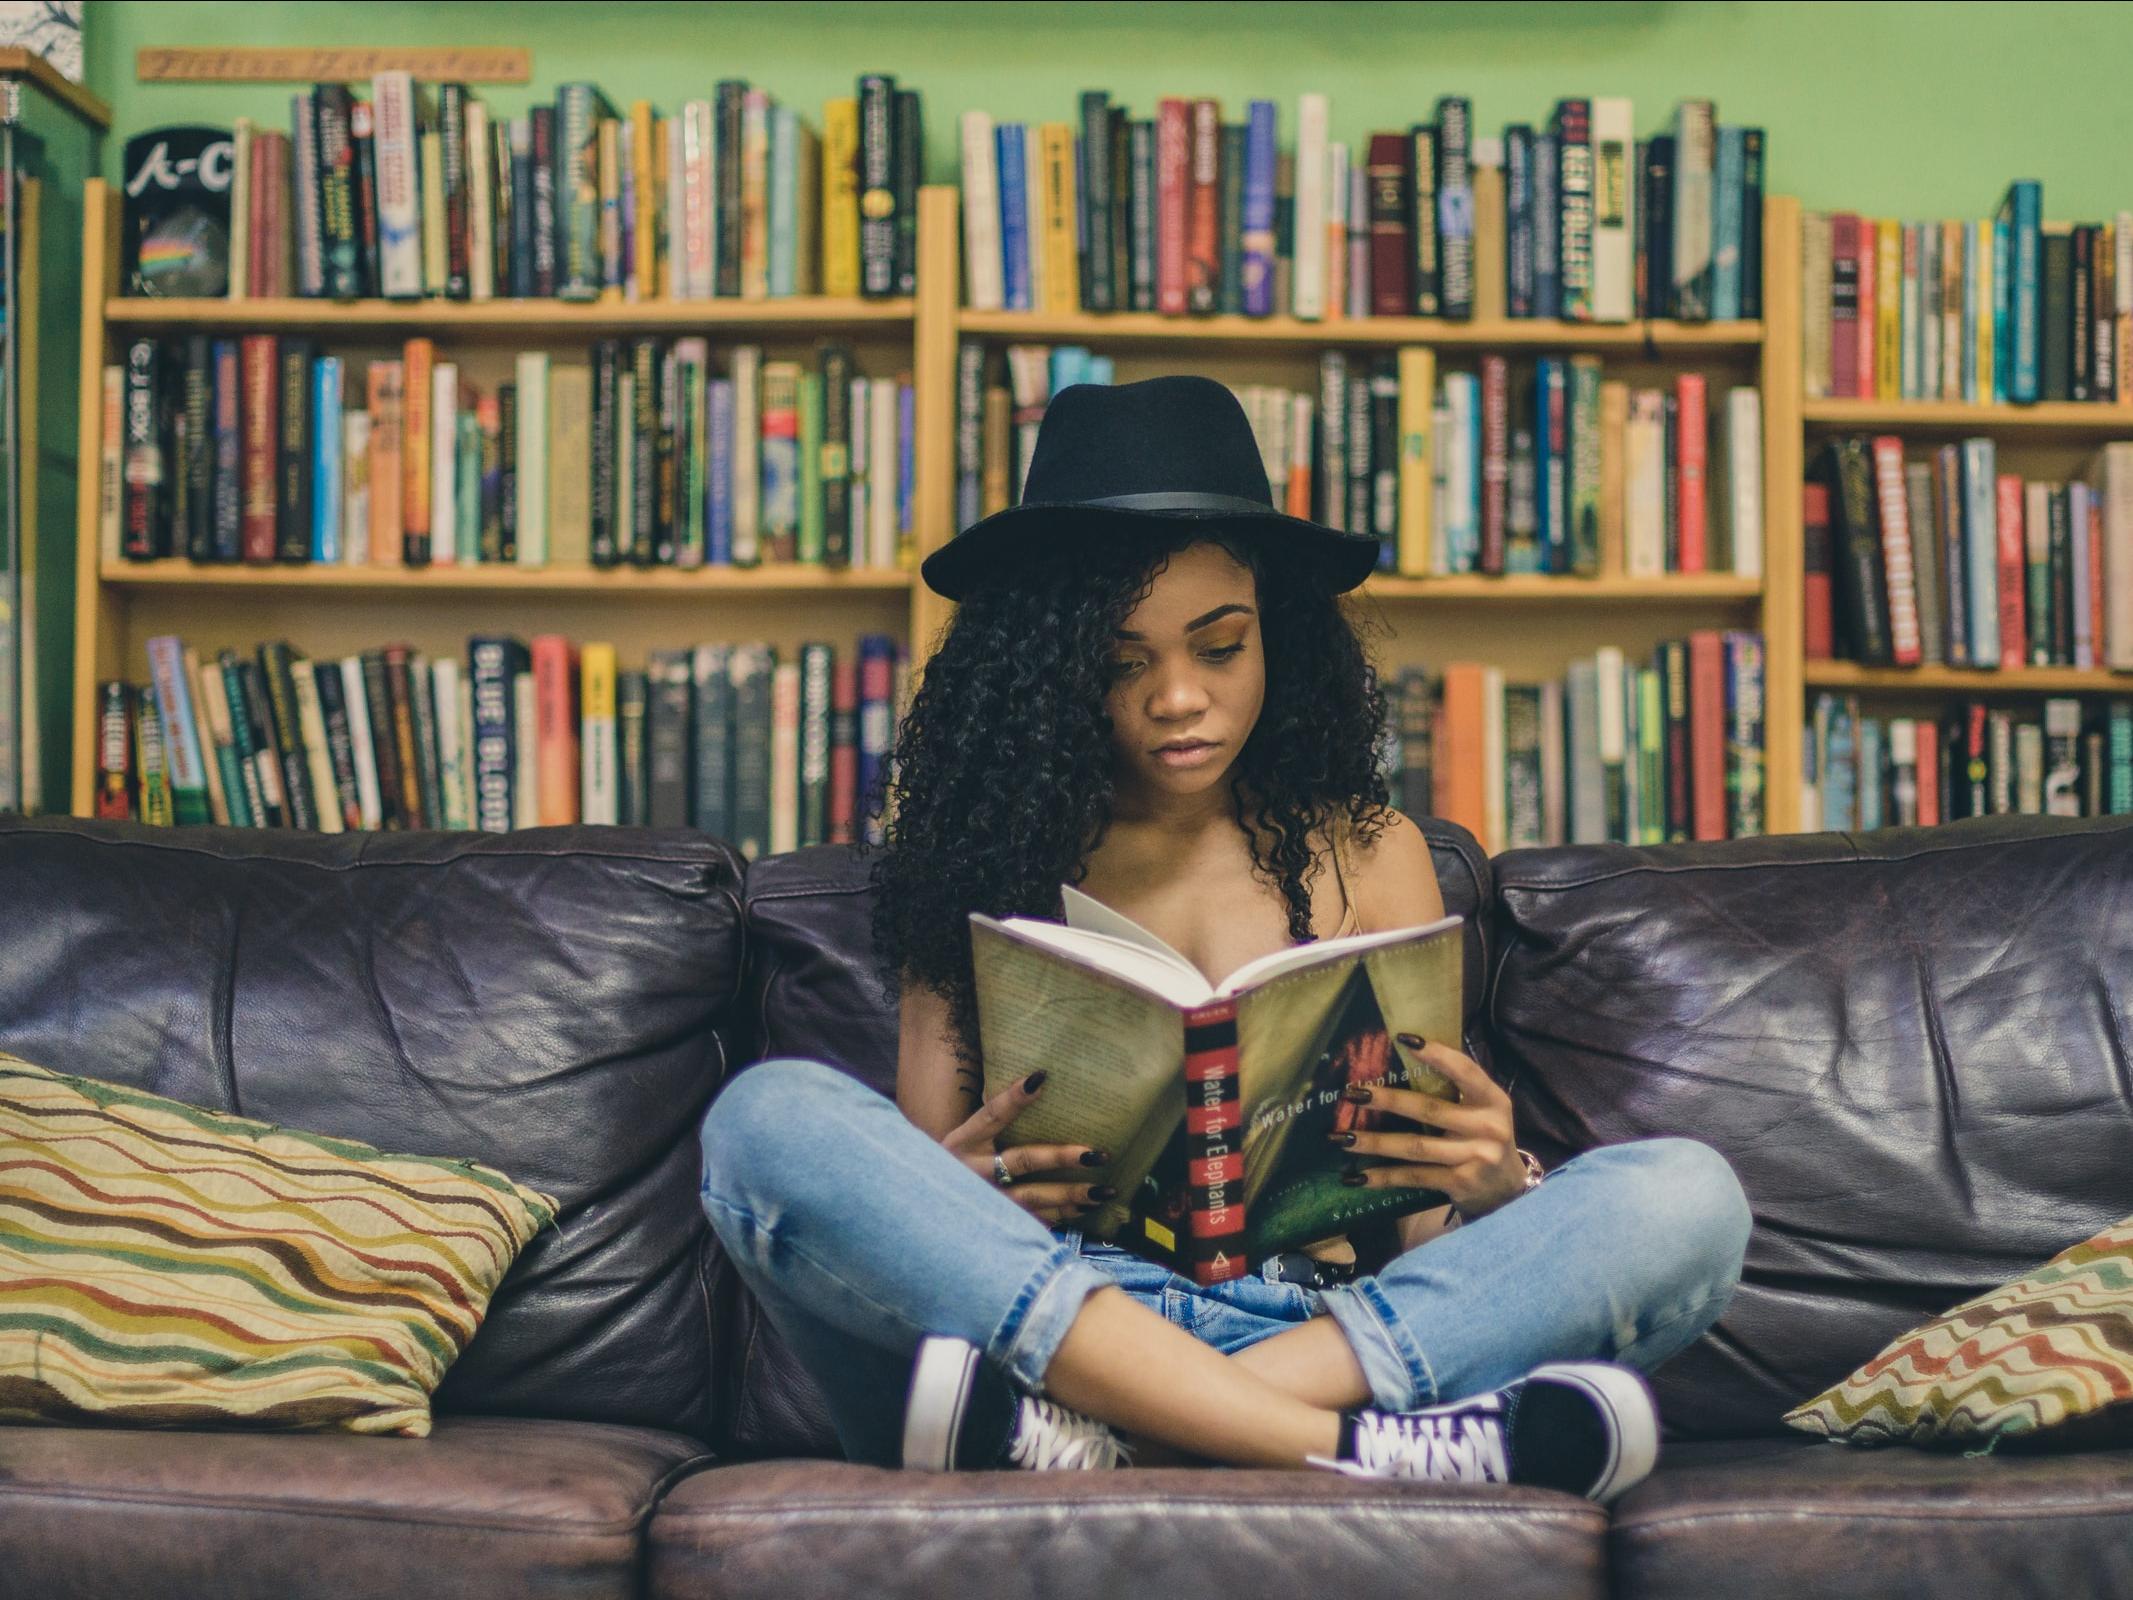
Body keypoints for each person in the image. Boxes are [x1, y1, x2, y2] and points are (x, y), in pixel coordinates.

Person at [698, 376, 1752, 1497]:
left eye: (1220, 646)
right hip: (1052, 1325)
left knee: (1689, 1199)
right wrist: (960, 1190)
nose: (1177, 698)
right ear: (1052, 671)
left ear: (1277, 640)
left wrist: (1496, 1183)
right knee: (766, 1123)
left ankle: (1144, 1436)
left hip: (1324, 1328)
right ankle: (1356, 1452)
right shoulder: (971, 862)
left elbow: (1424, 1243)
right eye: (1121, 661)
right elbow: (917, 1224)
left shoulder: (1374, 851)